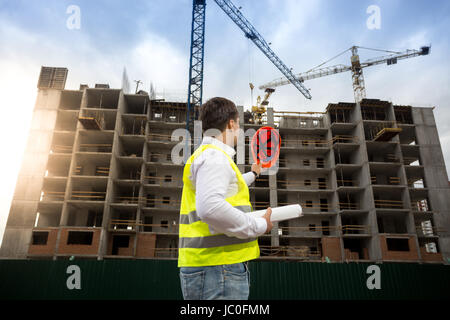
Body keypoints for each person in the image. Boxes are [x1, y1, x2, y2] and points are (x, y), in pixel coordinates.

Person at [178, 97, 273, 300]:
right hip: (218, 269)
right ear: (231, 123)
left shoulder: (207, 155)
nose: (238, 129)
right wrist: (259, 226)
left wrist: (254, 174)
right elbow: (210, 207)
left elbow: (230, 186)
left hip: (211, 266)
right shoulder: (215, 157)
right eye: (238, 124)